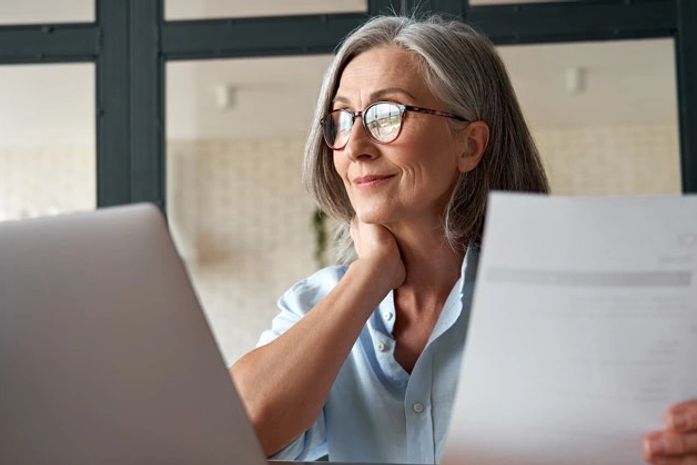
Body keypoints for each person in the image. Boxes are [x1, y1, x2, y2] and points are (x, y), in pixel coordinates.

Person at [230, 14, 697, 464]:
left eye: (387, 114)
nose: (356, 146)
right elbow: (239, 431)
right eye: (342, 118)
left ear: (469, 145)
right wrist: (370, 274)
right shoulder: (316, 305)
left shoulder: (565, 300)